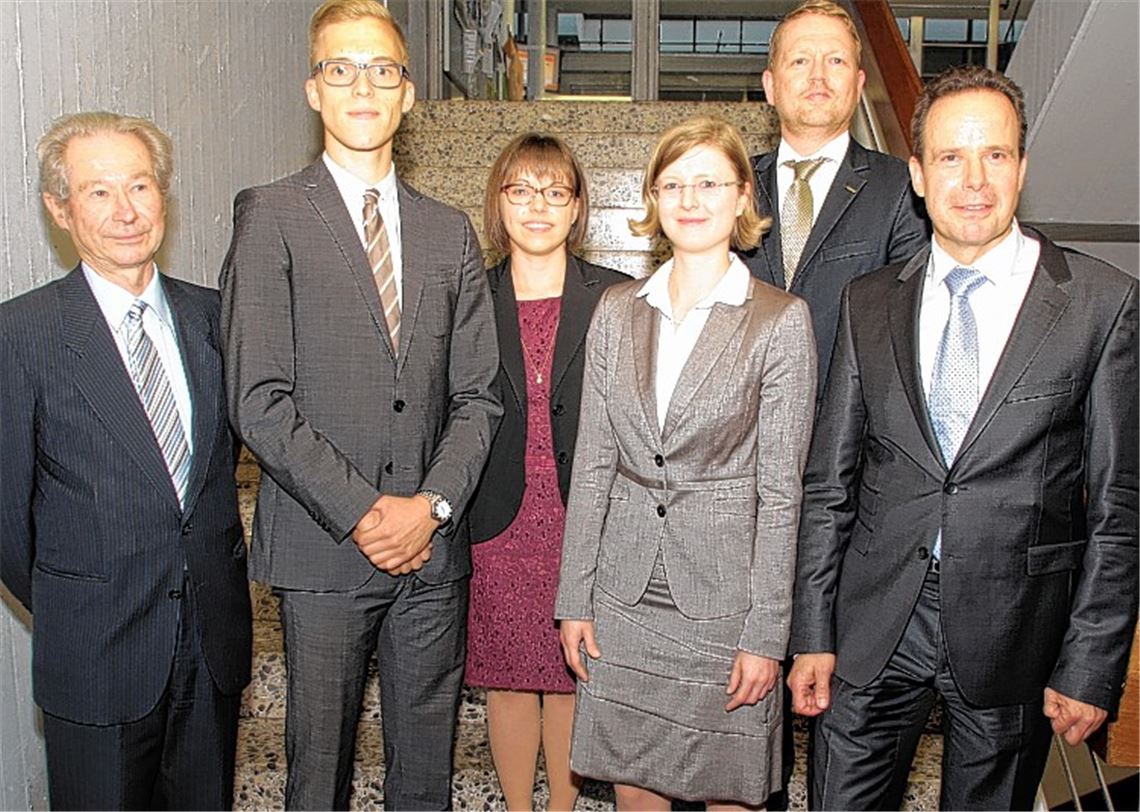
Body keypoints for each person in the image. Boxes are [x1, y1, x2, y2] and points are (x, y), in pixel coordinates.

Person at [787, 65, 1138, 810]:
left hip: (1015, 634)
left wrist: (1091, 662)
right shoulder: (868, 302)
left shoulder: (1101, 304)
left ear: (1022, 166)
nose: (974, 179)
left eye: (997, 155)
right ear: (917, 174)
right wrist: (811, 631)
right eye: (951, 157)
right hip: (872, 626)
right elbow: (829, 486)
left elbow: (1119, 506)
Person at [219, 1, 501, 808]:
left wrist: (431, 506)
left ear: (408, 92)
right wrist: (369, 511)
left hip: (432, 553)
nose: (363, 86)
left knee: (426, 773)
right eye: (340, 68)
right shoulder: (270, 215)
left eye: (383, 69)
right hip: (323, 548)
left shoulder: (448, 233)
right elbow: (257, 397)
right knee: (318, 775)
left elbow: (479, 394)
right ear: (313, 89)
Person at [556, 116, 817, 809]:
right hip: (624, 591)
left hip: (726, 603)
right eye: (673, 183)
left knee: (730, 788)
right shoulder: (616, 311)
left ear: (741, 198)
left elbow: (782, 492)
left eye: (709, 182)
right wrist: (573, 598)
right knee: (634, 780)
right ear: (653, 199)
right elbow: (594, 465)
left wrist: (768, 634)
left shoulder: (780, 320)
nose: (690, 198)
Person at [0, 111, 251, 810]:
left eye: (139, 186)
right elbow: (7, 522)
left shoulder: (216, 318)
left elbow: (222, 467)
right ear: (59, 208)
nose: (126, 211)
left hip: (211, 646)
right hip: (97, 655)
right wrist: (80, 590)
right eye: (99, 192)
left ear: (163, 196)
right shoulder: (21, 335)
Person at [464, 133, 627, 811]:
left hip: (583, 516)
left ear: (577, 208)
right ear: (498, 204)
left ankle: (561, 807)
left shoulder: (617, 298)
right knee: (506, 677)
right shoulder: (468, 296)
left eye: (555, 192)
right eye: (521, 190)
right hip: (498, 513)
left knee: (569, 672)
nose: (538, 206)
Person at [744, 0, 927, 393]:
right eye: (799, 61)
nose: (818, 76)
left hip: (849, 439)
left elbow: (910, 333)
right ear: (770, 86)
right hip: (738, 438)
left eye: (836, 61)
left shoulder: (901, 190)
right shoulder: (729, 185)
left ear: (860, 85)